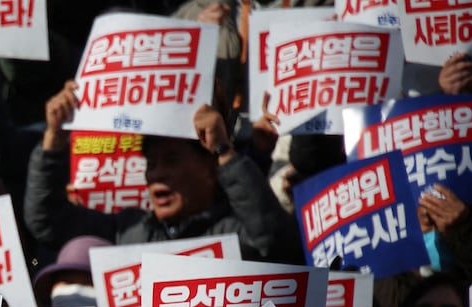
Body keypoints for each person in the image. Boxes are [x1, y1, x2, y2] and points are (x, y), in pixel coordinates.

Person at [26, 87, 298, 263]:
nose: (156, 174)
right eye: (150, 162)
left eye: (171, 160)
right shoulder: (128, 231)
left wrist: (224, 151)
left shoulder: (238, 233)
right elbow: (48, 221)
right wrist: (55, 140)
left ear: (210, 168)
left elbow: (276, 244)